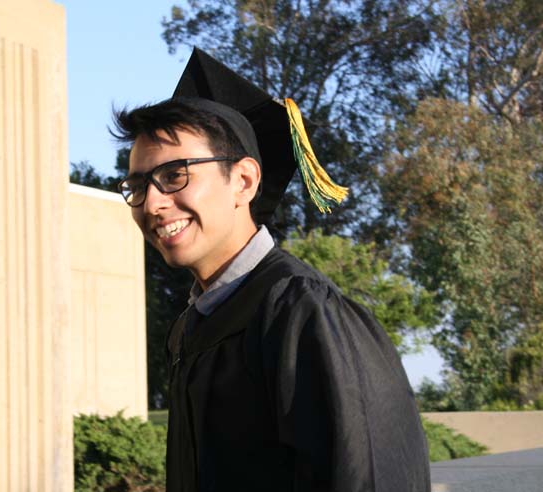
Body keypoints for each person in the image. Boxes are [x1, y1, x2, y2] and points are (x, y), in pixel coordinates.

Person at [112, 48, 430, 492]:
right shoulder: (189, 329)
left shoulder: (304, 313)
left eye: (175, 175)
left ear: (243, 181)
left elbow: (369, 477)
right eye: (138, 185)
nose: (153, 203)